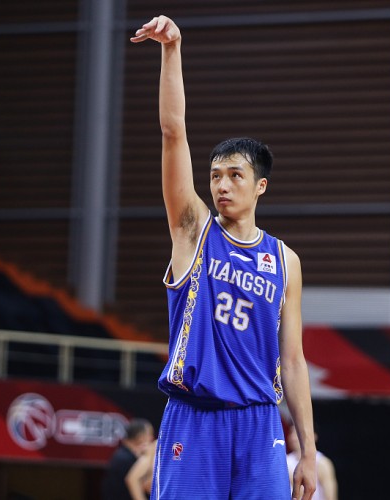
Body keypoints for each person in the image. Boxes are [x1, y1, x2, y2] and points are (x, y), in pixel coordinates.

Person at [130, 15, 317, 500]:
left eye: (235, 175)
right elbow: (173, 133)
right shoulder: (194, 230)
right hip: (195, 416)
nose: (222, 185)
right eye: (215, 176)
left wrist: (308, 451)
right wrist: (172, 49)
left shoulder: (285, 261)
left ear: (260, 186)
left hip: (260, 422)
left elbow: (293, 360)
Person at [102, 419, 154, 500]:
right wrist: (149, 455)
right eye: (150, 434)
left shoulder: (125, 454)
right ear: (140, 437)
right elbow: (147, 485)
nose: (152, 438)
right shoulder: (125, 458)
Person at [285, 424, 338, 500]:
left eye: (297, 433)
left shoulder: (322, 463)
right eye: (291, 433)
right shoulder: (286, 461)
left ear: (313, 436)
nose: (293, 437)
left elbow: (331, 497)